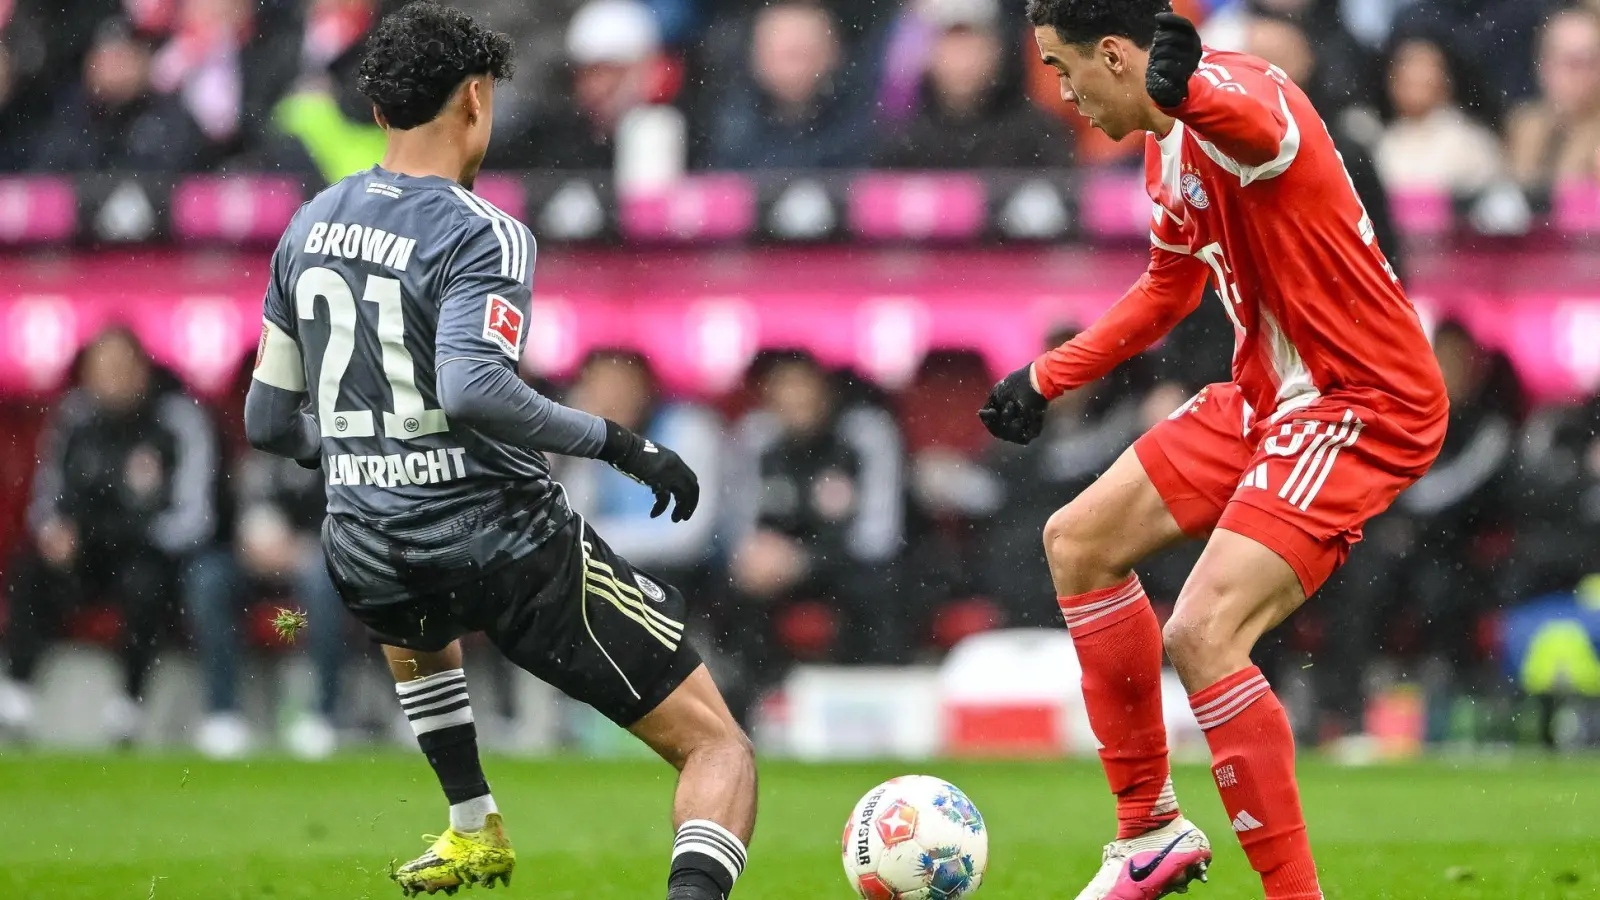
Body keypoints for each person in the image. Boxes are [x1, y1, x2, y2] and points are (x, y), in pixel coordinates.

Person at [242, 5, 756, 898]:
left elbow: (266, 420)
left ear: (378, 111)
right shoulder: (483, 228)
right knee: (718, 746)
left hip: (364, 544)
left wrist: (354, 449)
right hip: (502, 545)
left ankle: (471, 822)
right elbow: (474, 388)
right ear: (476, 100)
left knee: (406, 595)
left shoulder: (308, 225)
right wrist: (623, 445)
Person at [979, 4, 1447, 900]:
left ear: (1115, 55)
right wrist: (1047, 377)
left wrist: (1185, 87)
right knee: (1077, 542)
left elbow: (1261, 125)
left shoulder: (1237, 94)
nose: (1064, 92)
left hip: (1358, 402)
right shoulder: (1162, 148)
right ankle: (1148, 831)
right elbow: (1167, 291)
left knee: (1202, 633)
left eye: (1064, 68)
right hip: (1269, 398)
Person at [0, 327, 222, 744]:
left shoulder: (177, 418)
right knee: (30, 568)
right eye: (101, 369)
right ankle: (17, 692)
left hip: (150, 553)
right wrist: (54, 532)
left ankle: (129, 705)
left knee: (146, 581)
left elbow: (195, 520)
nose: (112, 379)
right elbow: (46, 498)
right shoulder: (74, 417)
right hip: (84, 554)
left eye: (121, 367)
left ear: (142, 370)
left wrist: (132, 535)